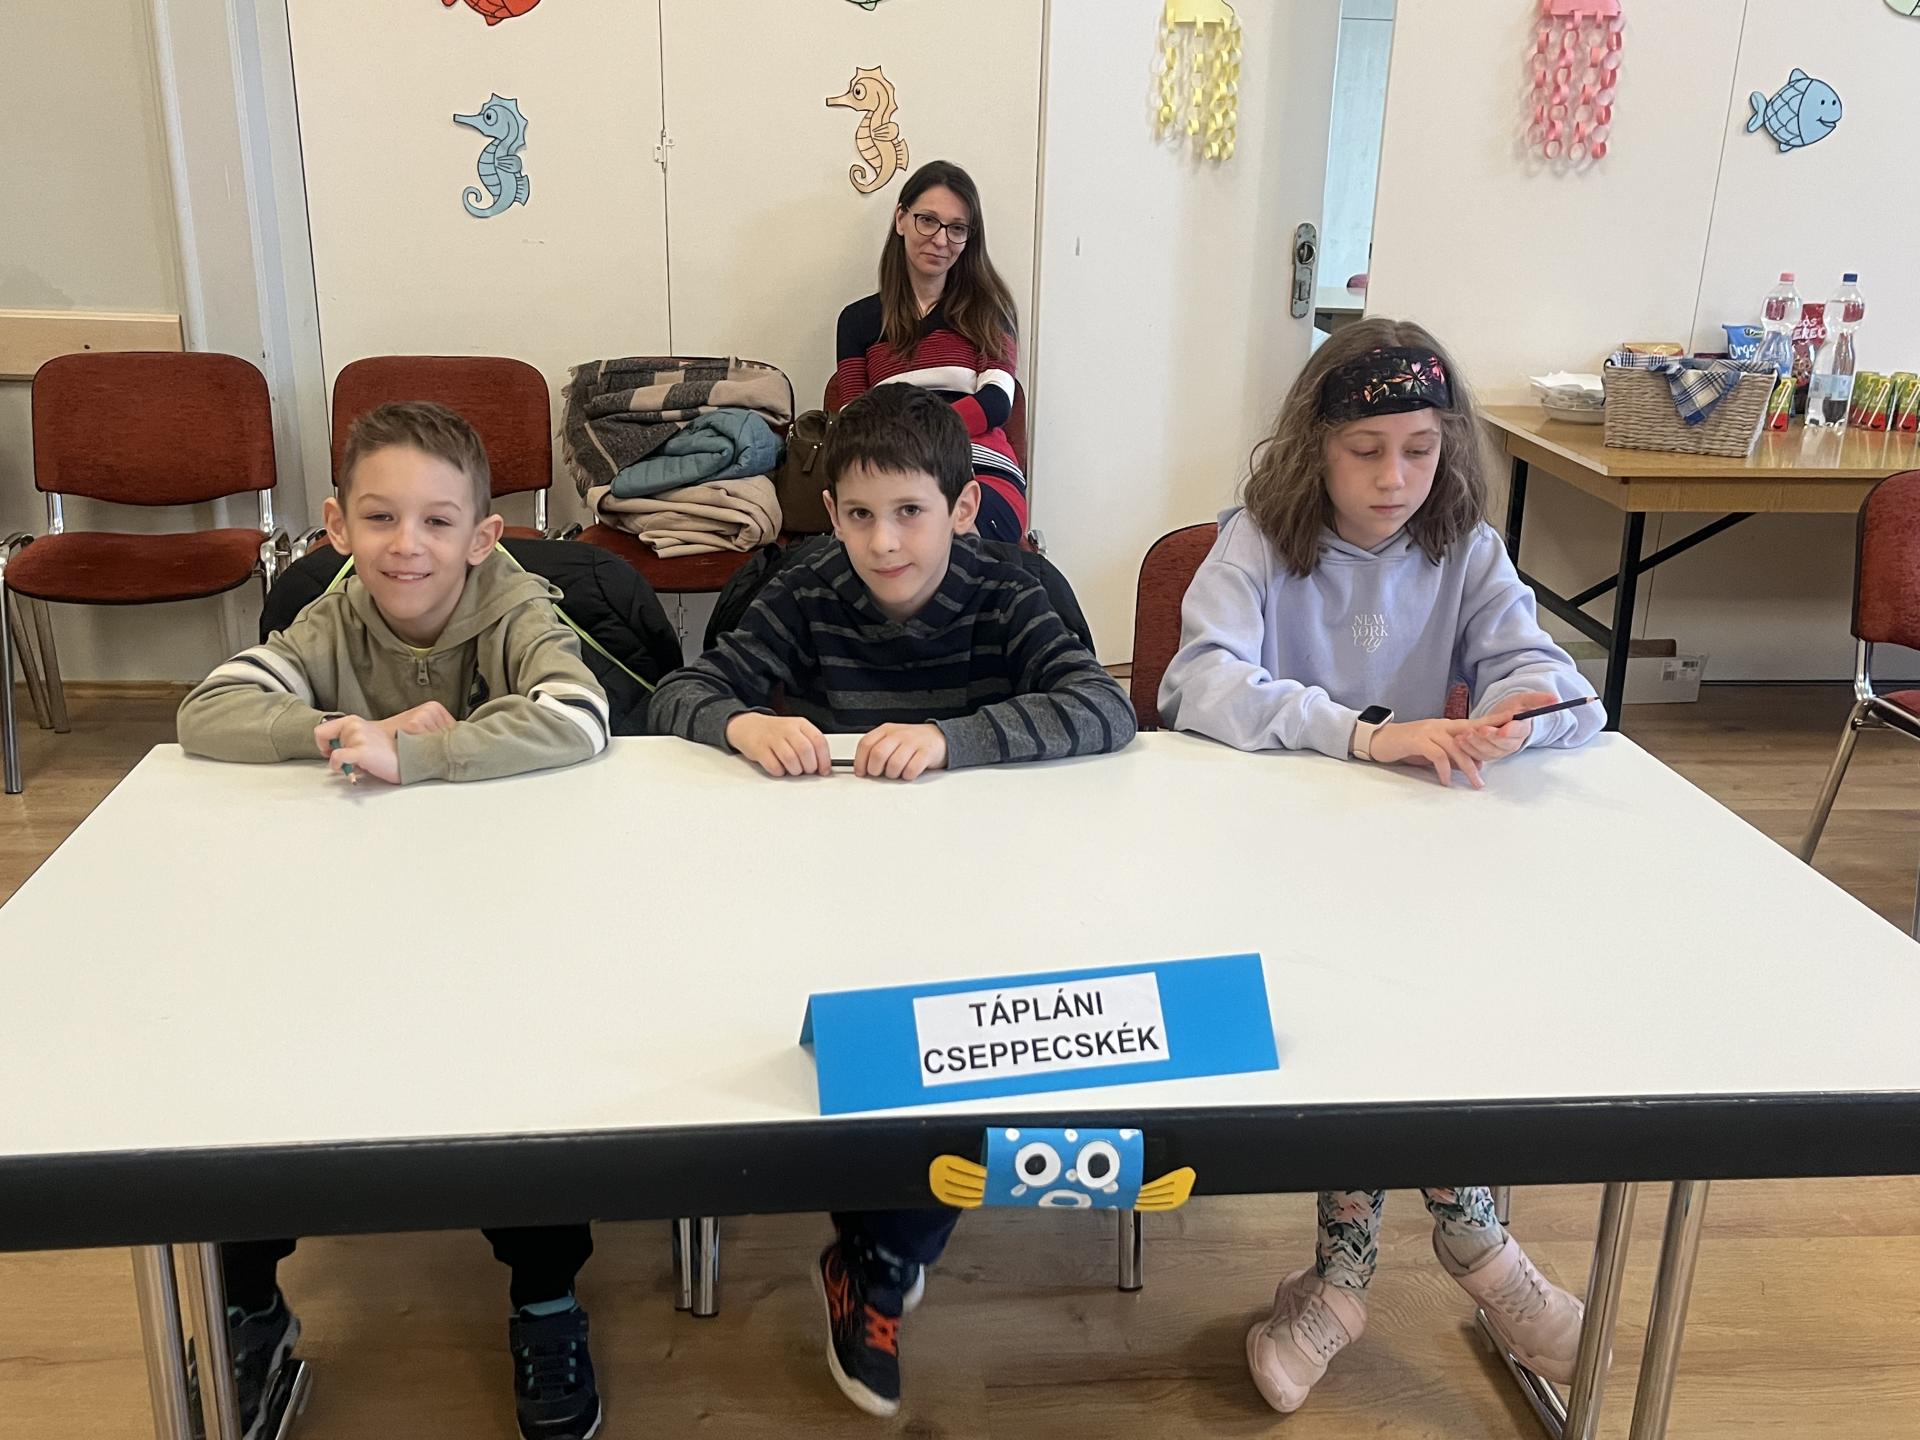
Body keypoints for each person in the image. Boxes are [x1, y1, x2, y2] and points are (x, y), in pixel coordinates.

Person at [649, 383, 1135, 1416]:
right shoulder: (807, 588)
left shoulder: (1008, 590)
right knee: (844, 1036)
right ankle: (880, 1251)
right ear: (830, 514)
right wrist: (742, 724)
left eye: (911, 512)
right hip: (836, 883)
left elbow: (1104, 707)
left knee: (965, 1044)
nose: (884, 542)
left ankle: (876, 1254)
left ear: (963, 508)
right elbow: (681, 694)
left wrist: (954, 740)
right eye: (861, 515)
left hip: (986, 886)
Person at [1157, 316, 1603, 1414]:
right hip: (1274, 860)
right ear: (1314, 446)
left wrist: (1513, 715)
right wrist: (1365, 733)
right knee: (1363, 1028)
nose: (1395, 479)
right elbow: (1197, 683)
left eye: (1420, 449)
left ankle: (1349, 1280)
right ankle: (1470, 1246)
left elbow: (1555, 683)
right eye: (1365, 451)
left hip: (1415, 860)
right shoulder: (1257, 541)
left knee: (1424, 1014)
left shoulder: (1466, 548)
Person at [177, 401, 609, 1440]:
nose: (406, 545)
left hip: (502, 910)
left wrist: (417, 754)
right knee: (253, 1075)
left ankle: (545, 1297)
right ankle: (249, 1301)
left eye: (436, 521)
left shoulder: (515, 608)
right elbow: (207, 711)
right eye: (379, 518)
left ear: (482, 536)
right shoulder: (330, 614)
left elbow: (577, 714)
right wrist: (344, 727)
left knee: (519, 1087)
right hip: (350, 914)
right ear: (337, 526)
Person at [834, 159, 1028, 545]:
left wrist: (915, 442)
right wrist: (908, 461)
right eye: (927, 220)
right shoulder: (857, 321)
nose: (941, 240)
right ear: (901, 219)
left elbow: (996, 403)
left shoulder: (989, 312)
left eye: (957, 228)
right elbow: (853, 422)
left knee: (942, 538)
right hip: (891, 478)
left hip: (981, 472)